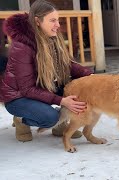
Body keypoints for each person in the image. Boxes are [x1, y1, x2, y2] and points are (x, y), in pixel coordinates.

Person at [0, 0, 93, 142]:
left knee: (80, 88)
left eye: (58, 20)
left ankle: (60, 124)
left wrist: (91, 77)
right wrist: (61, 101)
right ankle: (21, 120)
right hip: (18, 97)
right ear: (38, 21)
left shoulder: (50, 37)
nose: (58, 25)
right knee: (50, 118)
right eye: (53, 20)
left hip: (41, 86)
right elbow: (27, 89)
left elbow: (66, 65)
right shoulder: (22, 47)